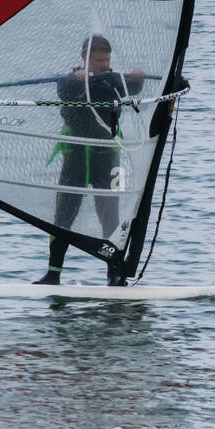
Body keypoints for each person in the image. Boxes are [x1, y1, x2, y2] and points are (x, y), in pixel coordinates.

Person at [36, 34, 145, 287]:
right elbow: (65, 91)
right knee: (64, 214)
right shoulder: (69, 82)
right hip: (75, 154)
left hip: (106, 155)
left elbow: (132, 90)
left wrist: (137, 79)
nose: (104, 65)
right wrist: (79, 77)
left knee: (110, 216)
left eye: (107, 60)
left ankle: (114, 274)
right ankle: (53, 273)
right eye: (98, 61)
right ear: (84, 59)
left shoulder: (112, 81)